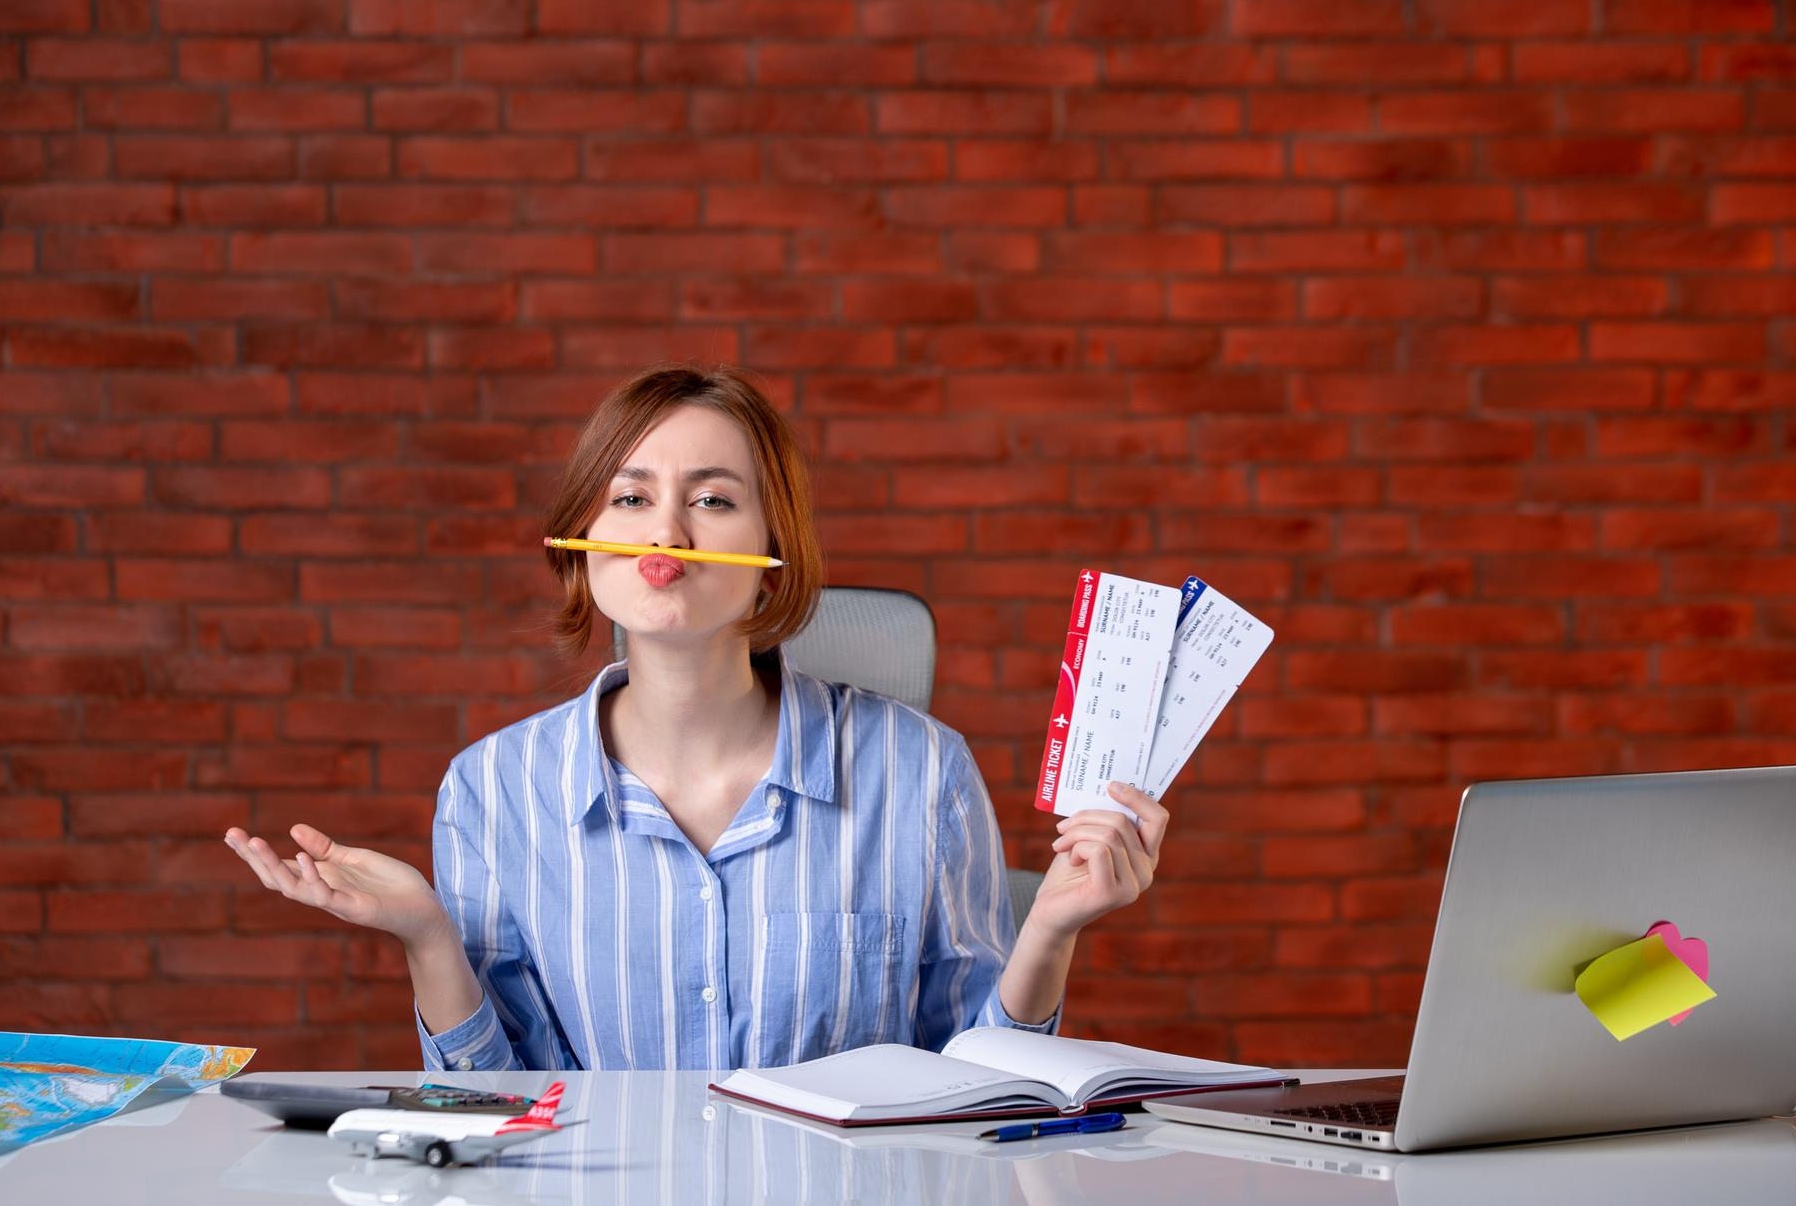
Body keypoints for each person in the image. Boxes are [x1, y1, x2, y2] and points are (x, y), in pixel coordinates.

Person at [225, 365, 1172, 1071]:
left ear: (774, 548)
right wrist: (429, 938)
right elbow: (498, 1119)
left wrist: (1050, 932)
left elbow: (979, 1090)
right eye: (630, 497)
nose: (666, 532)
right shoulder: (490, 789)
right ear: (582, 539)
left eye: (713, 499)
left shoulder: (922, 769)